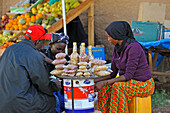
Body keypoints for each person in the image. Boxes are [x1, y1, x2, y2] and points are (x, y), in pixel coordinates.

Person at [94, 21, 155, 113]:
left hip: (143, 84)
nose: (108, 39)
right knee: (104, 88)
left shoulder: (134, 48)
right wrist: (95, 81)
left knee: (118, 87)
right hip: (128, 82)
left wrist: (104, 82)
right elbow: (113, 74)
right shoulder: (116, 48)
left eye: (109, 36)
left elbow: (128, 76)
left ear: (117, 37)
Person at [0, 25, 61, 113]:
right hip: (22, 105)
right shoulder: (34, 55)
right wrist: (54, 85)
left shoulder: (9, 49)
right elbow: (43, 85)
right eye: (43, 41)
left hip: (3, 102)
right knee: (53, 100)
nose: (44, 45)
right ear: (37, 42)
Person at [40, 32, 69, 113]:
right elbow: (38, 53)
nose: (60, 51)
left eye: (63, 49)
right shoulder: (44, 53)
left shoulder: (65, 58)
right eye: (58, 49)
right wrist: (53, 62)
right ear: (51, 45)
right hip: (49, 90)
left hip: (62, 91)